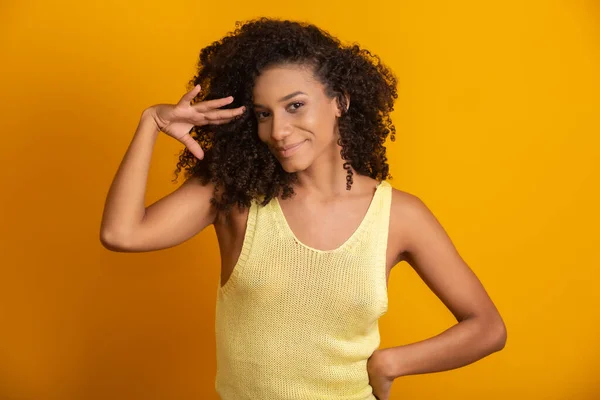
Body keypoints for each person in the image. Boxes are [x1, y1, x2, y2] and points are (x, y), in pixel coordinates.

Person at [100, 17, 506, 400]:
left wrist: (392, 362)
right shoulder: (235, 195)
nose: (277, 130)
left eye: (295, 106)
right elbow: (122, 233)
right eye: (263, 114)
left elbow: (487, 327)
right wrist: (151, 122)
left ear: (340, 102)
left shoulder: (399, 216)